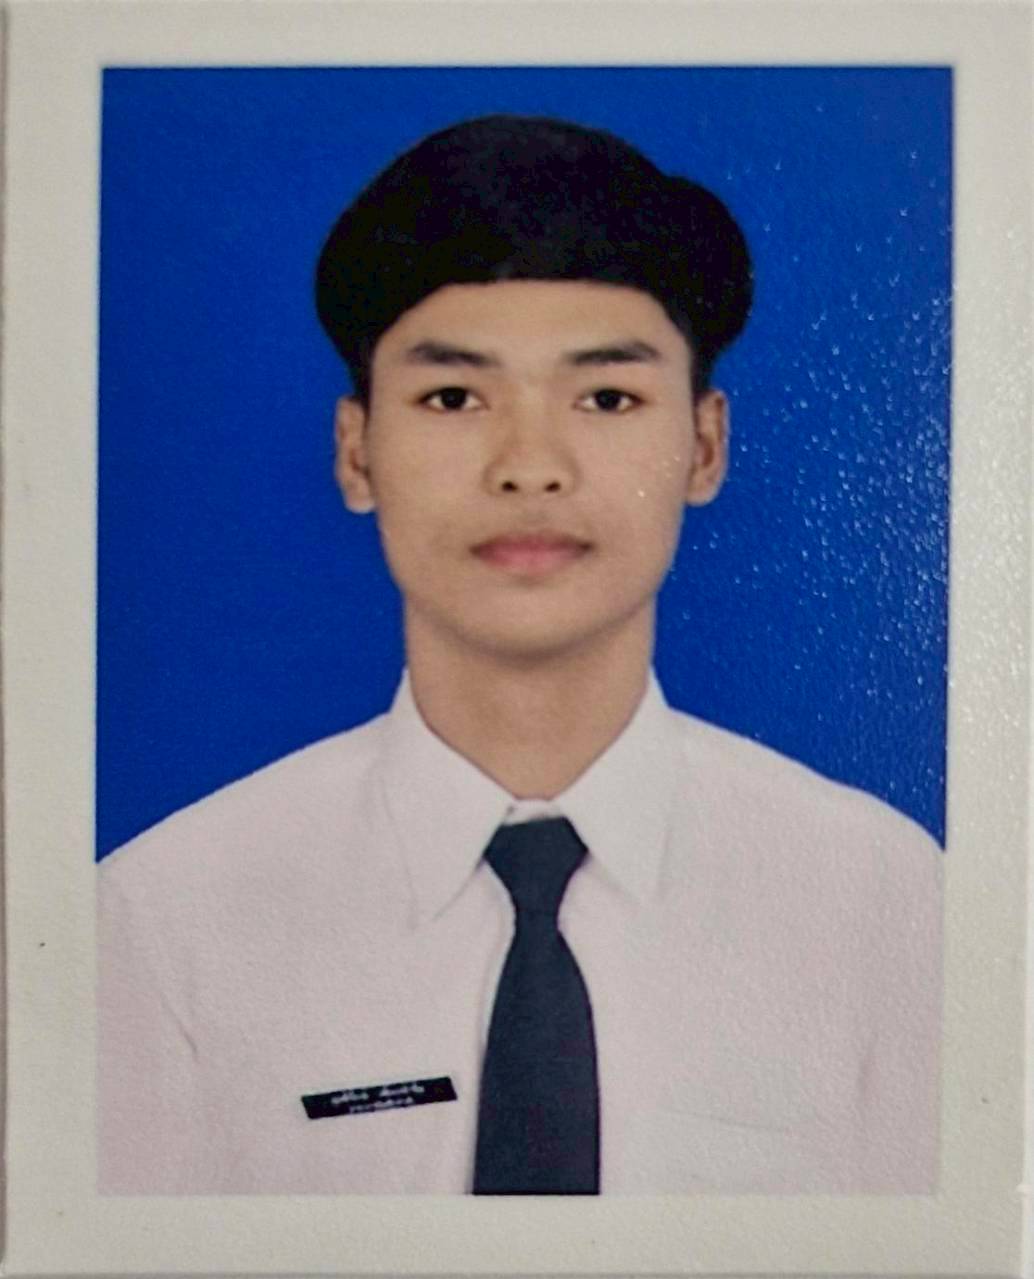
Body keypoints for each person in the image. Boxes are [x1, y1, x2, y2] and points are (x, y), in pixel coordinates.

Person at [97, 114, 941, 1196]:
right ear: (356, 451)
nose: (530, 465)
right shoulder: (164, 919)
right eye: (453, 397)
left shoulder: (886, 901)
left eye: (606, 397)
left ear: (703, 445)